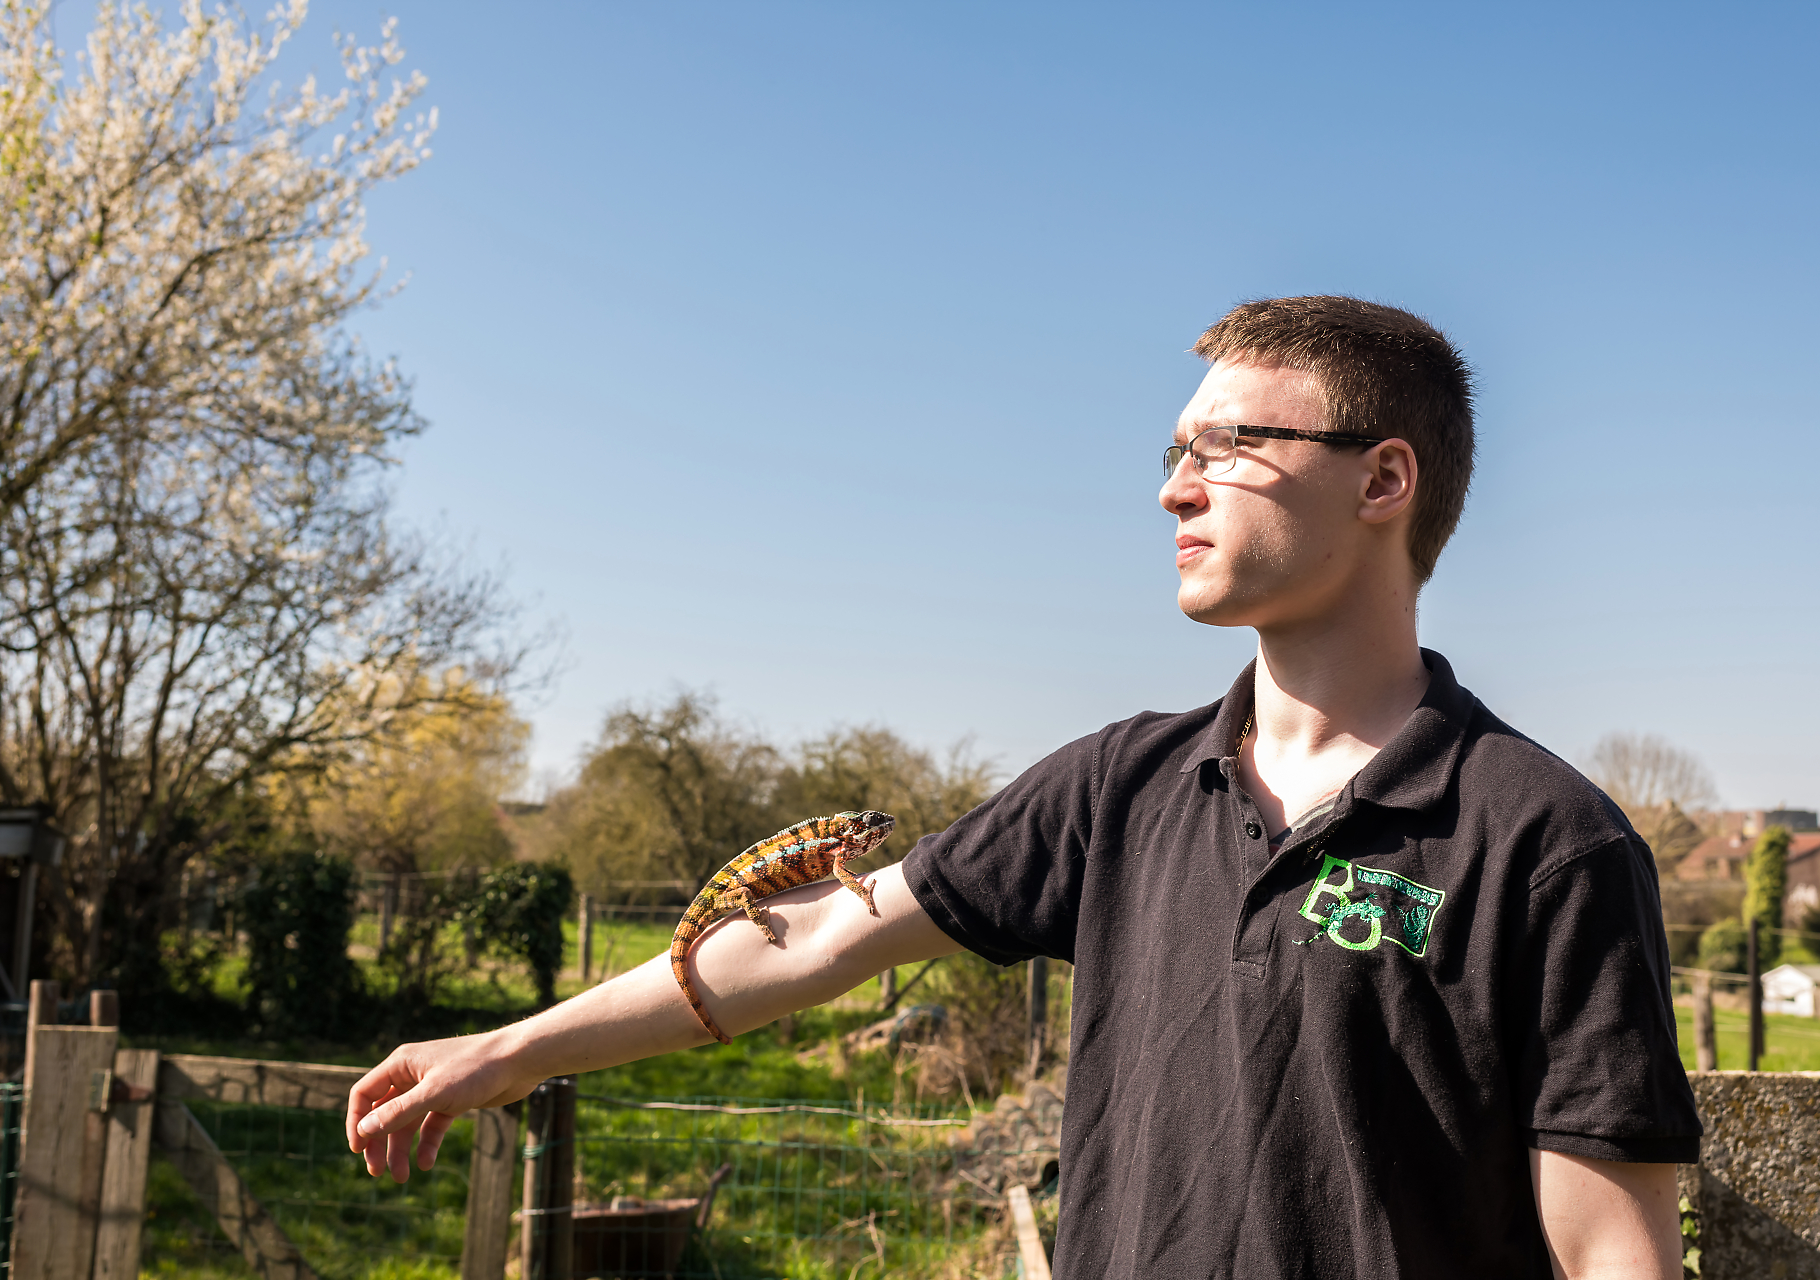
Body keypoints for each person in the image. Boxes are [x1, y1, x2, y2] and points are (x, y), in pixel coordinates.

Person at [348, 296, 1699, 1278]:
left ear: (1384, 477)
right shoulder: (1118, 786)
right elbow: (816, 935)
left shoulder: (1545, 840)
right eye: (1173, 454)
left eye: (1228, 447)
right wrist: (505, 1053)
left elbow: (1610, 1249)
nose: (1179, 490)